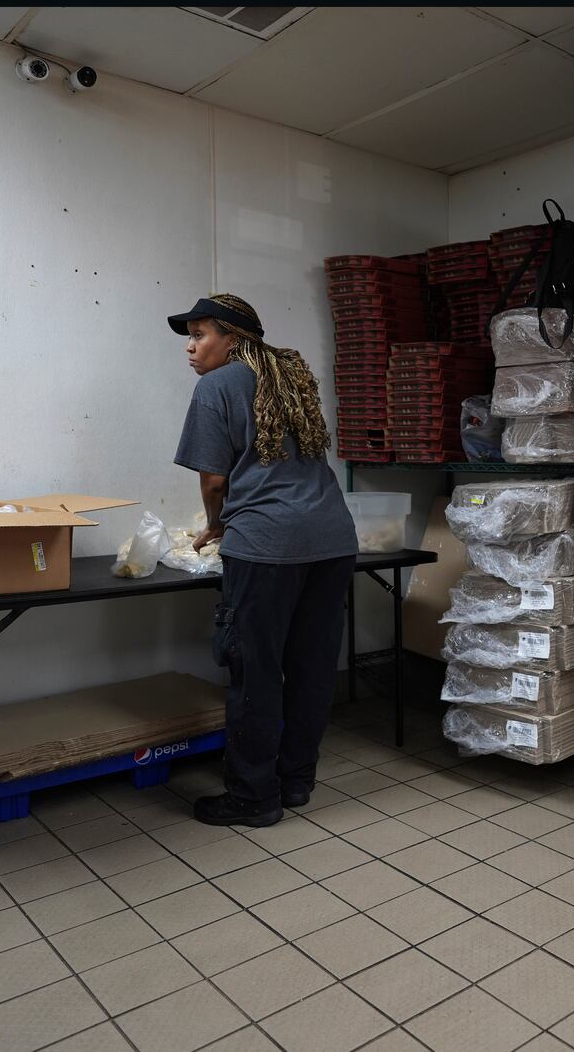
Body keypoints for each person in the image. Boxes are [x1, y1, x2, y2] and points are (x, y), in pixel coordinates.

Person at [169, 293, 358, 827]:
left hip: (268, 547)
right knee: (312, 669)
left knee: (254, 673)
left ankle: (253, 797)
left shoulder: (216, 386)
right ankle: (295, 782)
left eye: (201, 334)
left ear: (234, 339)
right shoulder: (293, 380)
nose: (191, 346)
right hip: (332, 540)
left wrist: (217, 523)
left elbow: (214, 480)